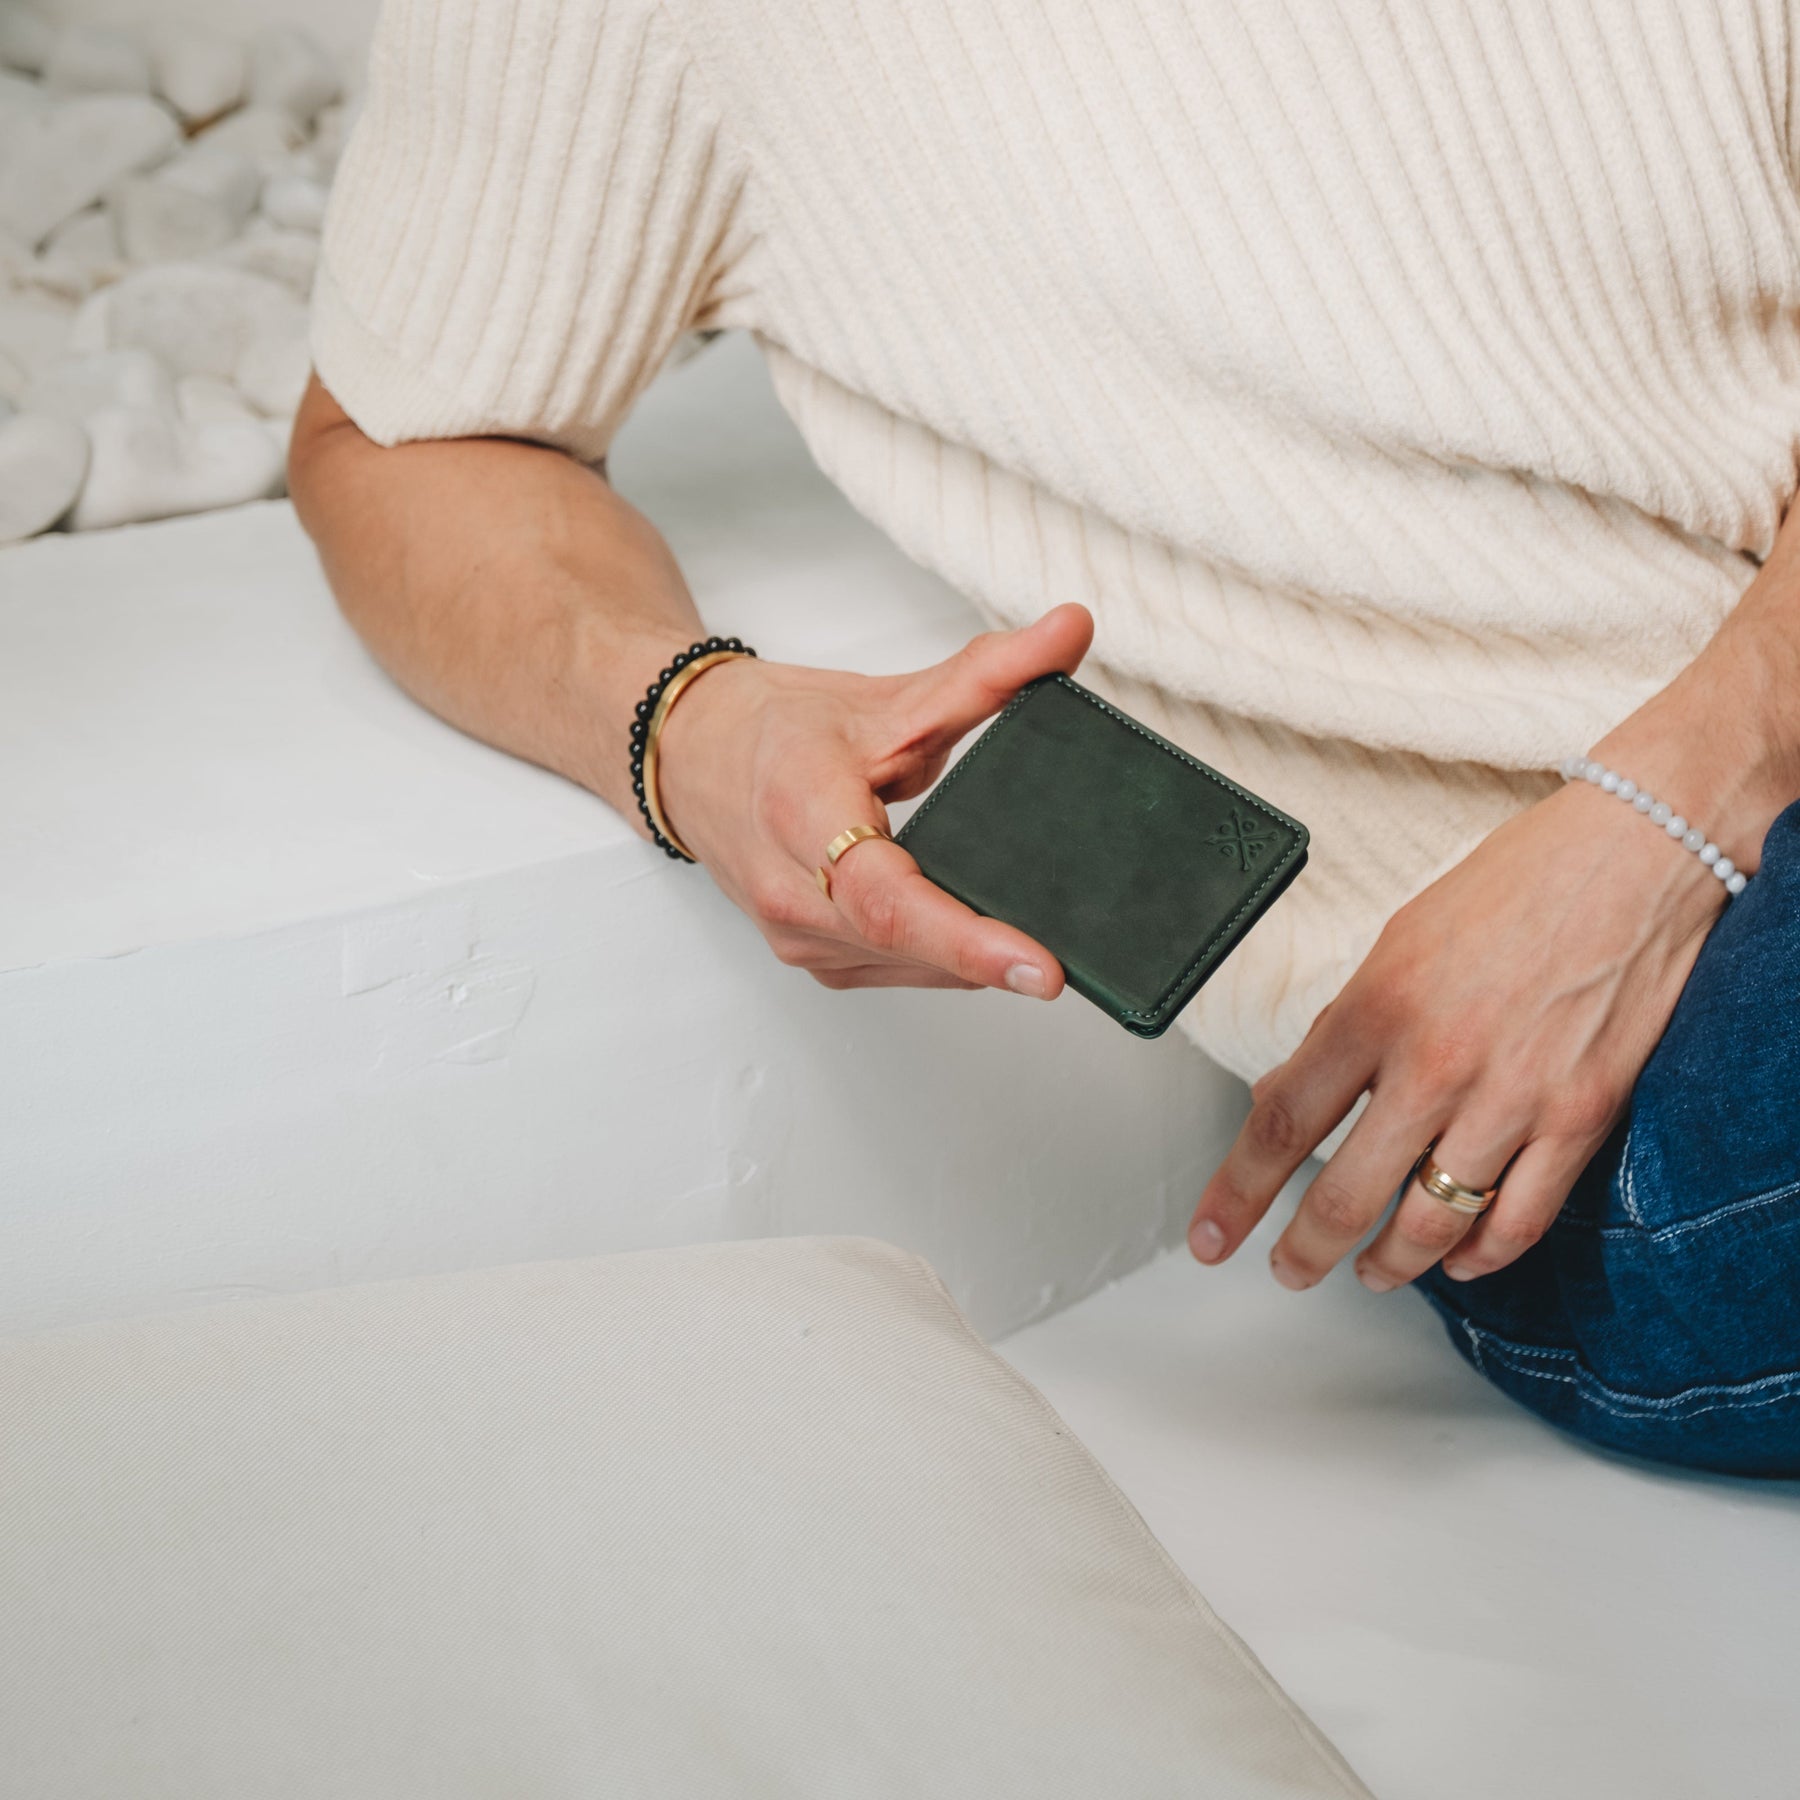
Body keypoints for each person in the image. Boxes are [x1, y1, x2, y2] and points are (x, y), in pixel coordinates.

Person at [290, 0, 1800, 1476]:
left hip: (1685, 842)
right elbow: (410, 435)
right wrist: (695, 725)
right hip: (1610, 1072)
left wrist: (1683, 793)